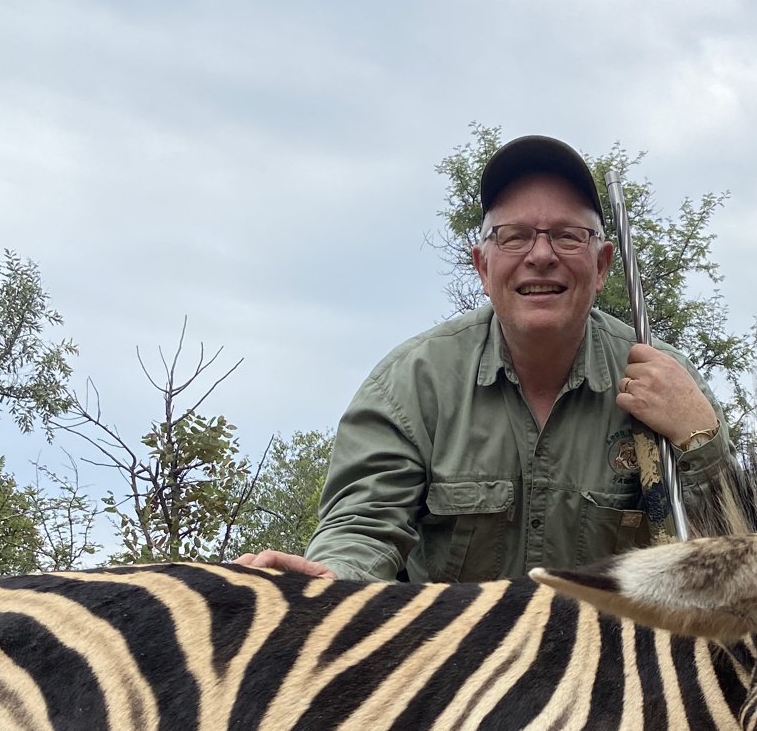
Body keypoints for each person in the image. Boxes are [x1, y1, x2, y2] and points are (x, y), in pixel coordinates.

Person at [237, 134, 727, 582]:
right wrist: (332, 579)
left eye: (567, 235)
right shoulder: (411, 383)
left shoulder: (670, 382)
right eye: (514, 236)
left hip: (614, 671)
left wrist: (701, 443)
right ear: (482, 266)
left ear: (601, 266)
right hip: (456, 672)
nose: (540, 255)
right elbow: (364, 528)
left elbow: (725, 555)